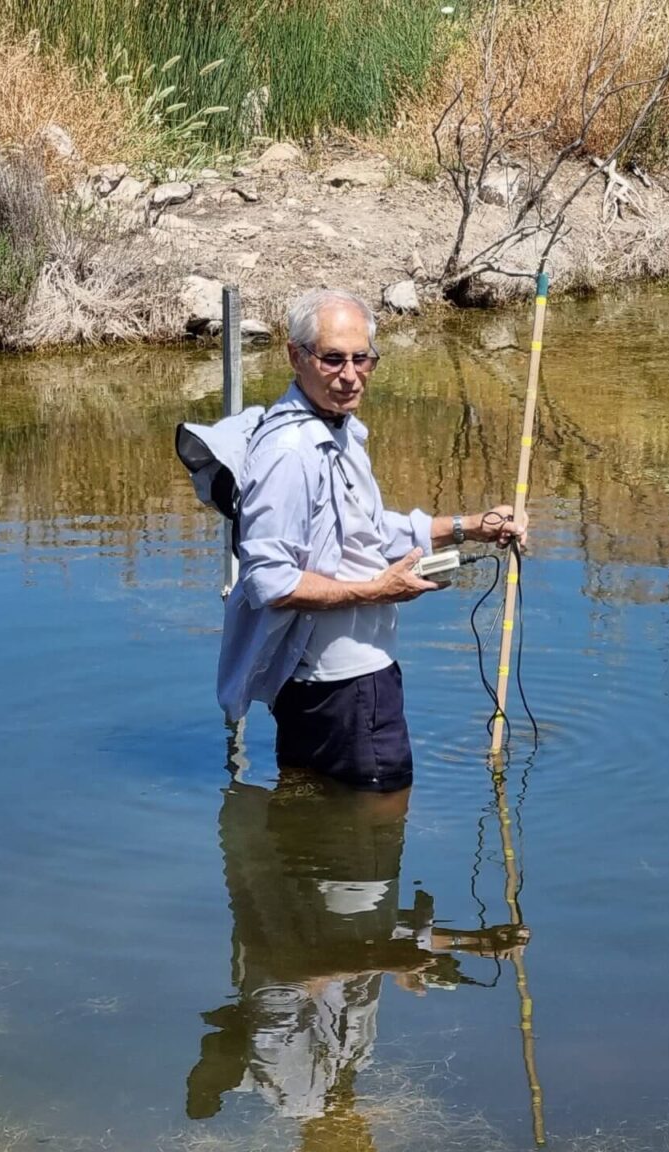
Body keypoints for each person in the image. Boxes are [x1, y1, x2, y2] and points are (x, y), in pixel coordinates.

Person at [217, 289, 522, 792]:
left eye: (363, 359)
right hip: (343, 686)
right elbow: (270, 581)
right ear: (296, 356)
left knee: (310, 833)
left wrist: (473, 527)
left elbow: (370, 530)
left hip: (337, 684)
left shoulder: (336, 430)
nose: (351, 375)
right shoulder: (291, 451)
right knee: (379, 824)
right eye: (333, 359)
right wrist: (376, 591)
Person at [185, 769, 527, 1137]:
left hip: (296, 866)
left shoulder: (293, 1084)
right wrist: (471, 943)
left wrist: (380, 961)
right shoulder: (355, 1056)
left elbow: (283, 976)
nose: (371, 1137)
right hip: (342, 872)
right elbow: (368, 947)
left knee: (338, 770)